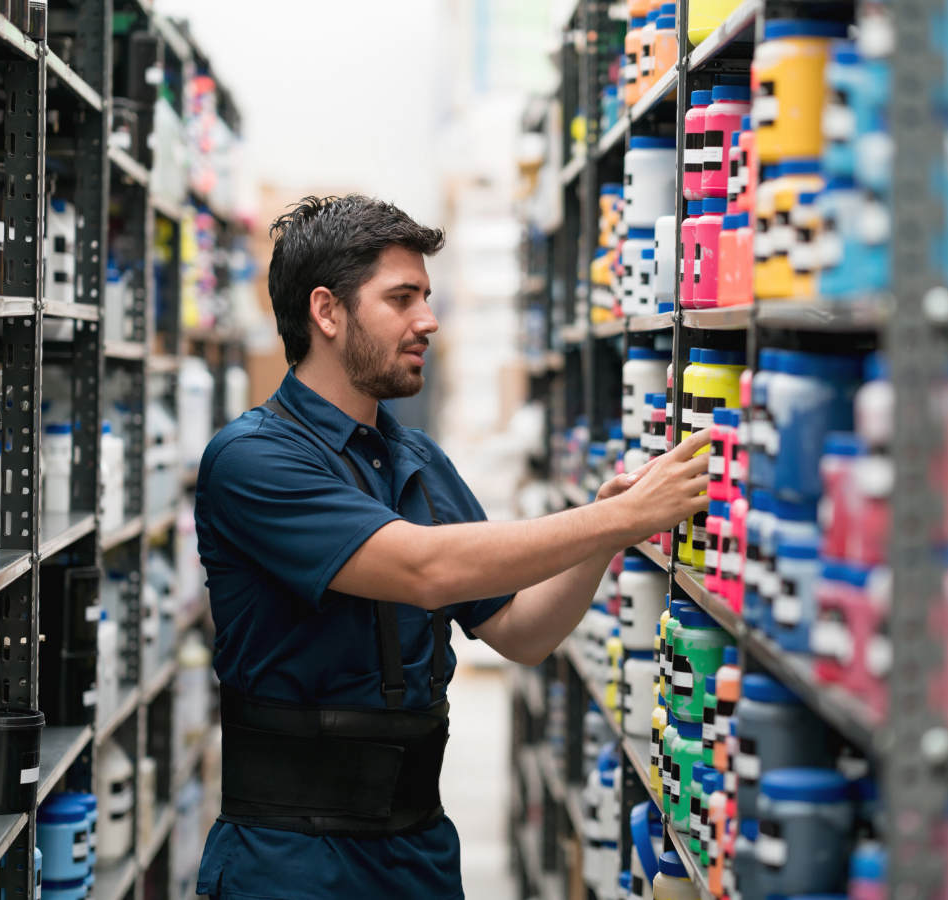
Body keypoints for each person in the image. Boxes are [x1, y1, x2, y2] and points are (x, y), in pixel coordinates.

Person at [193, 195, 709, 900]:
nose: (428, 321)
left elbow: (521, 633)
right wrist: (612, 523)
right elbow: (423, 569)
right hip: (291, 861)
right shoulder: (251, 460)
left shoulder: (418, 461)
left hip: (419, 854)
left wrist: (607, 528)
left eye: (426, 298)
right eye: (402, 298)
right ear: (327, 312)